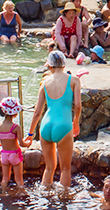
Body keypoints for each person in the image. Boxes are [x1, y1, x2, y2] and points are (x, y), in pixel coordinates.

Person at [27, 51, 81, 189]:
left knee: (49, 168)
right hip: (63, 125)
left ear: (50, 66)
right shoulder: (74, 80)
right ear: (64, 64)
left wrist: (30, 133)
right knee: (65, 169)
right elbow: (78, 106)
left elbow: (37, 112)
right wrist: (75, 122)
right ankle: (64, 201)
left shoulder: (44, 83)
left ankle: (45, 199)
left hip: (45, 126)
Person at [0, 96, 30, 190]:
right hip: (15, 154)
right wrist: (28, 143)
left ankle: (3, 193)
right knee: (19, 180)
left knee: (5, 178)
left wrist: (3, 144)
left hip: (4, 154)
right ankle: (21, 195)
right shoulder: (16, 127)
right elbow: (21, 143)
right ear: (15, 113)